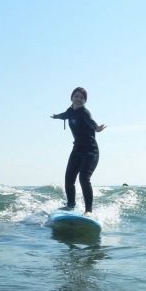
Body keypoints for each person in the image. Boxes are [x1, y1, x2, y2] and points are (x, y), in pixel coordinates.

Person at [50, 87, 106, 216]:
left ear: (85, 100)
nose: (79, 99)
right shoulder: (70, 111)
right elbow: (64, 115)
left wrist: (97, 128)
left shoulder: (84, 113)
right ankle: (70, 206)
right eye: (76, 96)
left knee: (84, 178)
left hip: (91, 151)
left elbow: (91, 121)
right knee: (69, 179)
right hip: (77, 150)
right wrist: (56, 116)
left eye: (82, 97)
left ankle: (88, 211)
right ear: (72, 98)